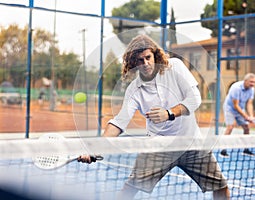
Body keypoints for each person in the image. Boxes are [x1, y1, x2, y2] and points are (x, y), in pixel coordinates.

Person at [78, 35, 230, 200]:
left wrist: (169, 113)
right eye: (139, 60)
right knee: (129, 189)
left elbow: (195, 98)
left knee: (221, 187)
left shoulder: (175, 67)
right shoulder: (133, 90)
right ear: (133, 63)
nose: (145, 64)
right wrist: (96, 148)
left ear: (155, 55)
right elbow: (119, 122)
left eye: (148, 57)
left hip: (191, 143)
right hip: (158, 147)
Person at [221, 73, 255, 158]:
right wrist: (245, 116)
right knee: (230, 126)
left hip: (240, 108)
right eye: (251, 82)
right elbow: (235, 105)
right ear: (245, 81)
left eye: (254, 82)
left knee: (246, 127)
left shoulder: (252, 89)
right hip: (230, 108)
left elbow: (249, 103)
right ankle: (223, 150)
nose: (253, 84)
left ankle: (246, 149)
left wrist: (251, 116)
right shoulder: (236, 88)